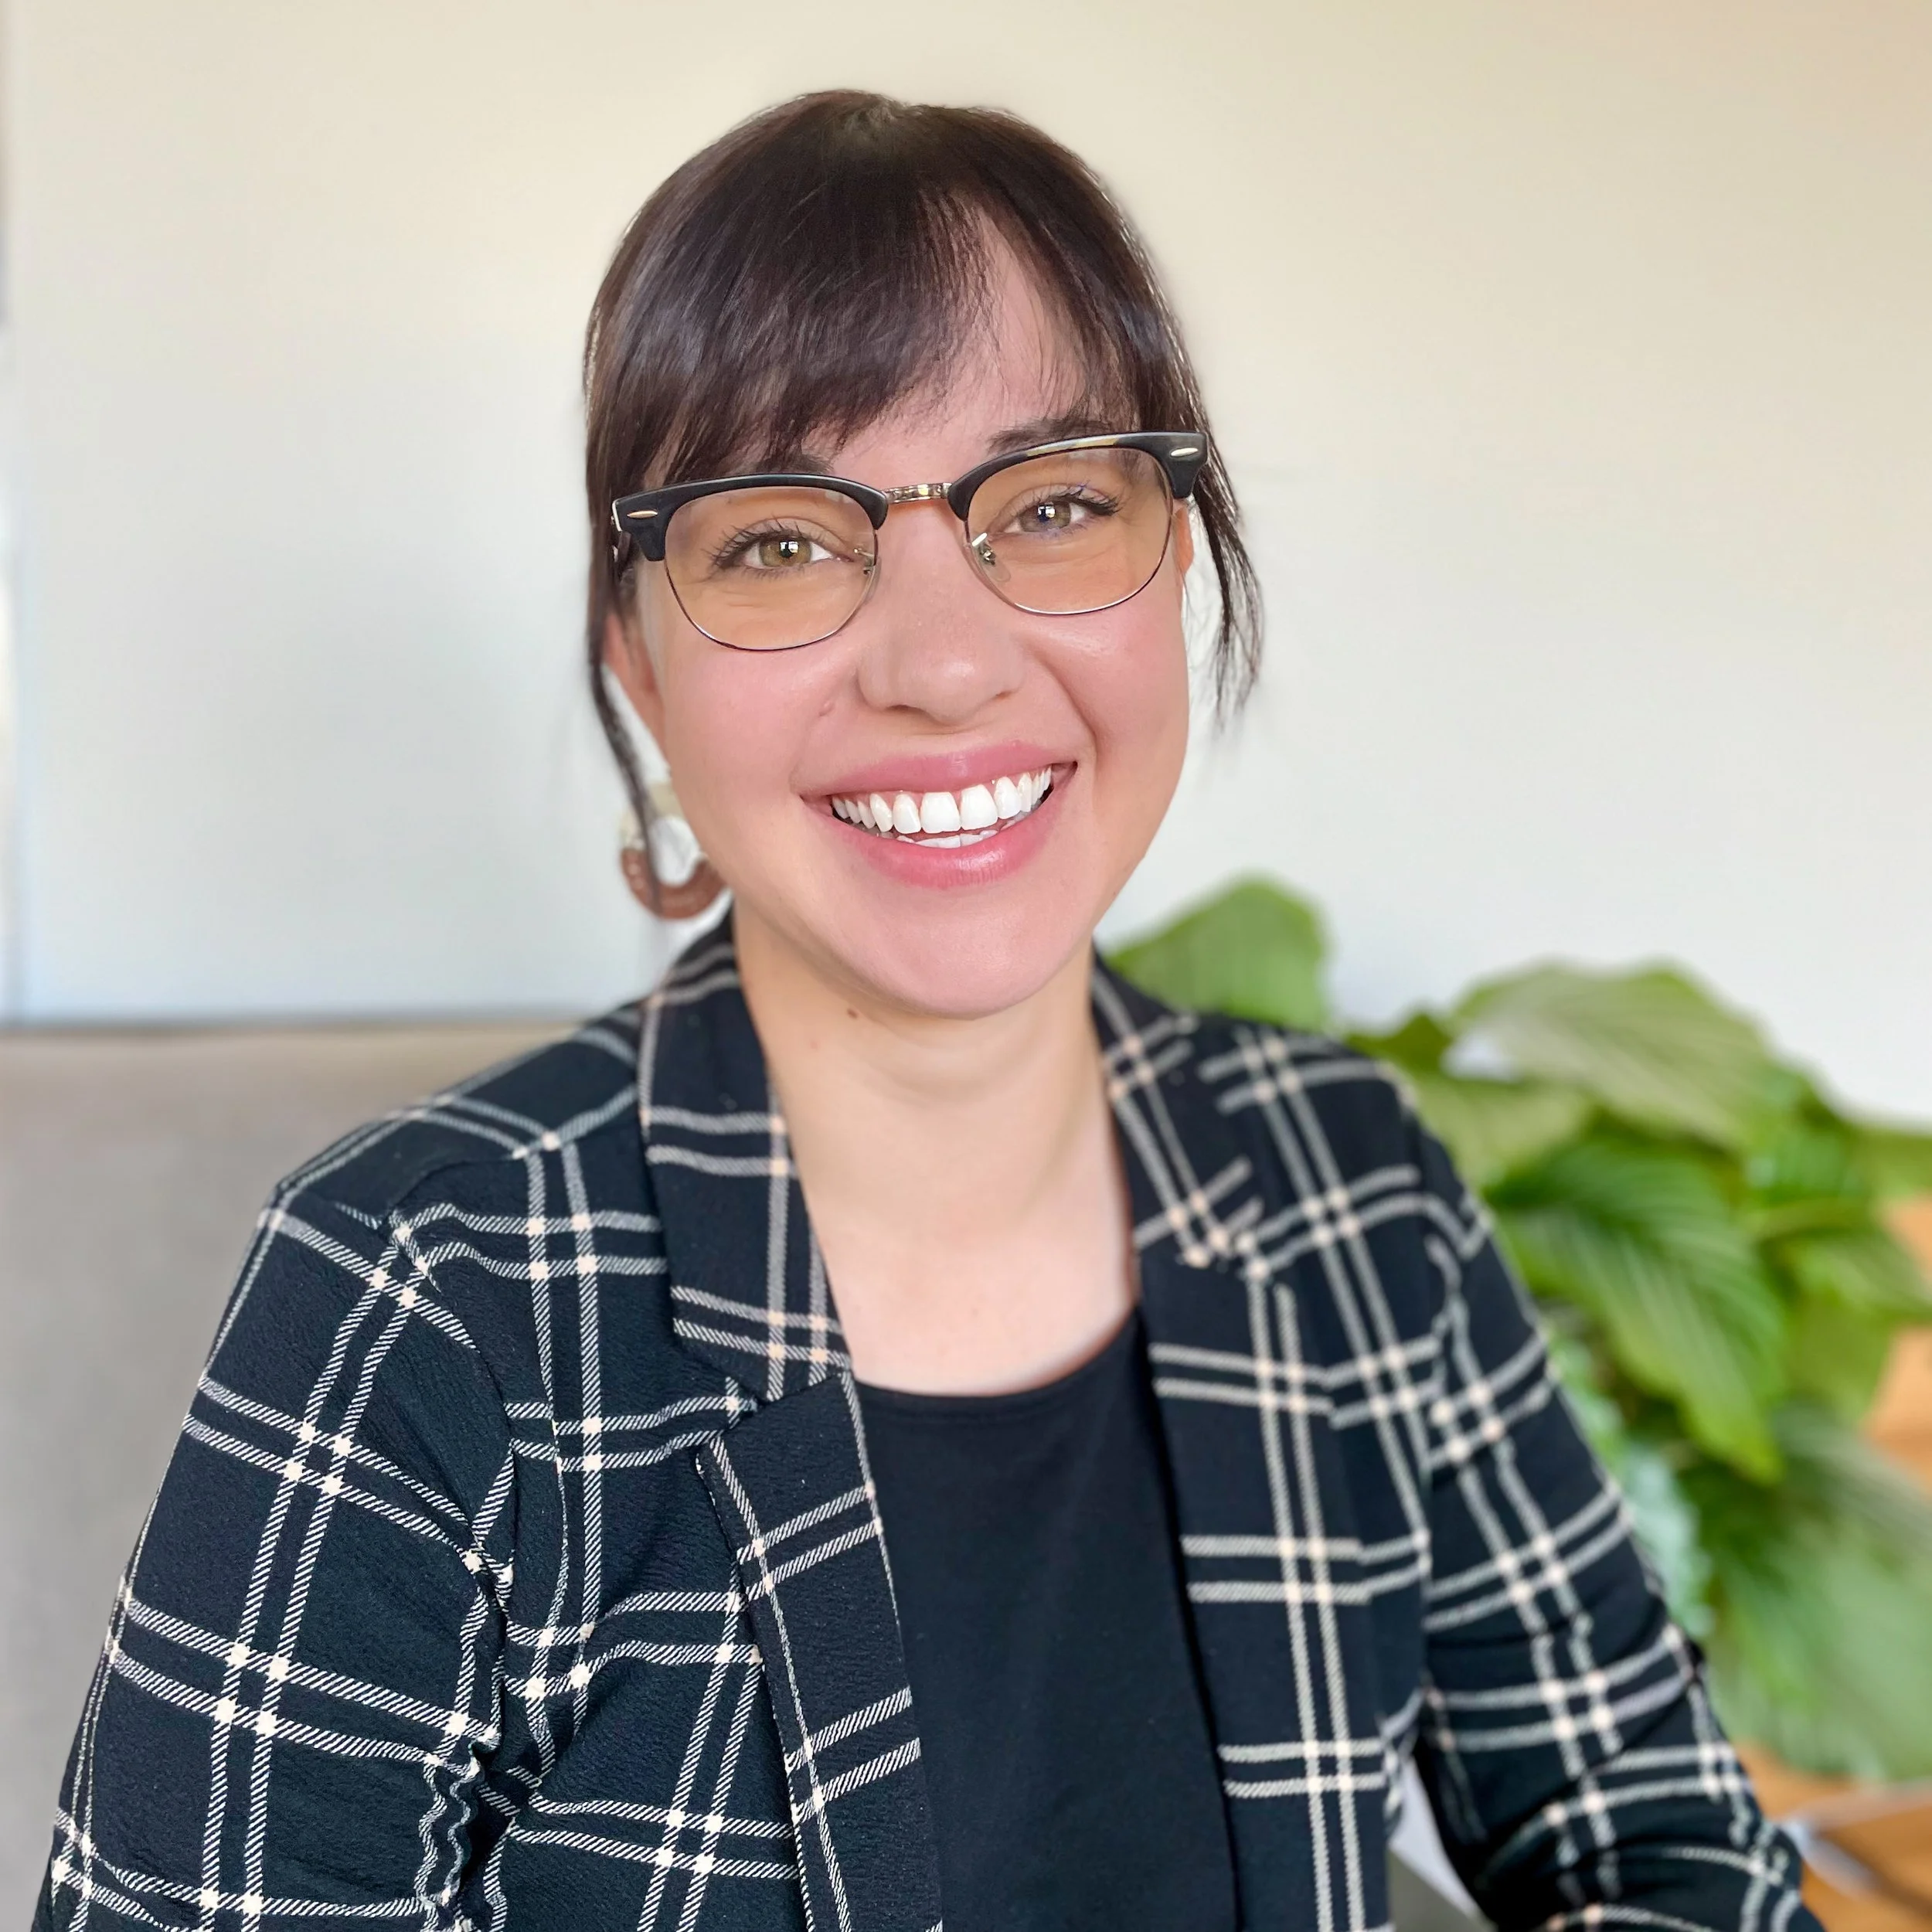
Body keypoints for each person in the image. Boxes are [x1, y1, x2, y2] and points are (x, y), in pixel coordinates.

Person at [37, 91, 1817, 1932]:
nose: (947, 658)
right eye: (781, 542)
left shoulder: (1349, 1191)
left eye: (1051, 505)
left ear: (1175, 560)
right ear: (632, 654)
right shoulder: (426, 1288)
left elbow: (1668, 1847)